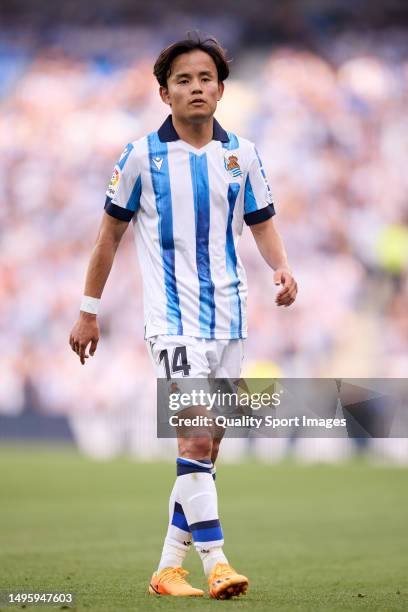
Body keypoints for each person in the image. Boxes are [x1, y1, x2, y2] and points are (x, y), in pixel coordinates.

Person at [69, 34, 297, 599]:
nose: (195, 88)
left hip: (231, 318)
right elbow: (108, 236)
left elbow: (262, 219)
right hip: (171, 321)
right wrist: (88, 310)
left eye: (205, 79)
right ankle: (217, 562)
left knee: (208, 447)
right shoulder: (141, 155)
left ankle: (168, 569)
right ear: (164, 92)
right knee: (195, 437)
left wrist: (282, 268)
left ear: (221, 89)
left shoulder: (241, 153)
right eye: (183, 80)